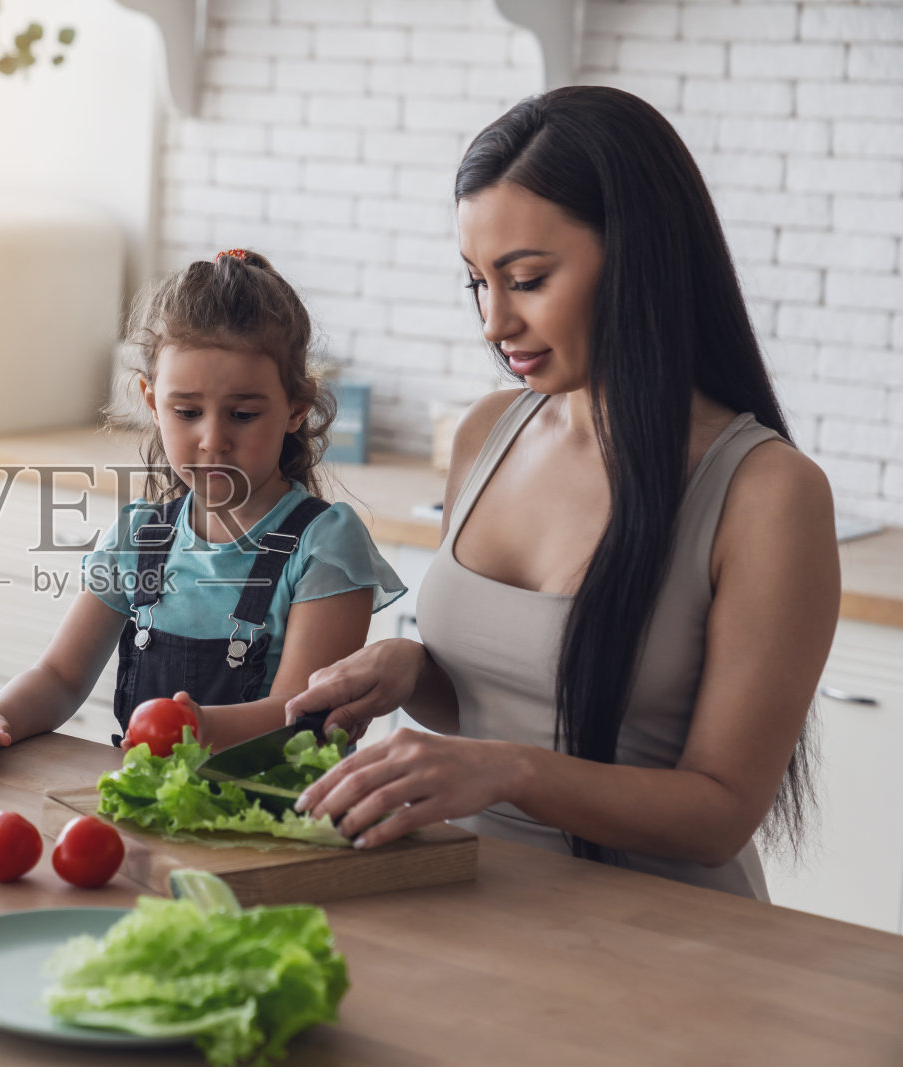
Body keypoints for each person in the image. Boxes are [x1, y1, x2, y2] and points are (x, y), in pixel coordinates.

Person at [286, 86, 840, 900]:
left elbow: (720, 810)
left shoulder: (767, 493)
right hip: (461, 892)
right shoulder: (487, 433)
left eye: (528, 279)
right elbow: (505, 707)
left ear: (640, 256)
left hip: (662, 933)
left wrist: (508, 771)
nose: (494, 321)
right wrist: (411, 670)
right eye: (477, 282)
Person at [0, 250, 405, 773]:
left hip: (276, 821)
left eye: (244, 414)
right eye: (186, 412)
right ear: (152, 401)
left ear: (296, 407)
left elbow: (304, 718)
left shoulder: (325, 545)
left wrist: (197, 731)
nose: (213, 440)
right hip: (154, 810)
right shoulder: (140, 536)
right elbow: (60, 677)